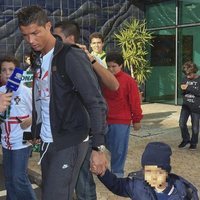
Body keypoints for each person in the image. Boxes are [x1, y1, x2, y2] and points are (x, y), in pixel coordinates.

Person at [17, 6, 108, 200]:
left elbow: (96, 102)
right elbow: (43, 100)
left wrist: (98, 147)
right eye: (25, 35)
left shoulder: (70, 56)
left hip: (70, 140)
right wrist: (36, 130)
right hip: (49, 140)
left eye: (35, 33)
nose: (31, 40)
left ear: (48, 26)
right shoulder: (39, 59)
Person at [53, 20, 119, 200]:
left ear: (71, 38)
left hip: (87, 130)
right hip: (66, 131)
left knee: (83, 183)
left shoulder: (84, 57)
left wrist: (90, 59)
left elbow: (114, 85)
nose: (53, 41)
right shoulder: (54, 58)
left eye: (57, 37)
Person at [94, 142, 199, 200]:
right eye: (147, 171)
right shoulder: (137, 185)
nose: (152, 176)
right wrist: (102, 173)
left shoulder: (185, 193)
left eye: (157, 172)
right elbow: (117, 185)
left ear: (166, 172)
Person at [0, 55, 36, 200]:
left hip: (21, 142)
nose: (7, 73)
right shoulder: (1, 92)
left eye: (11, 70)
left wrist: (31, 120)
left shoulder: (25, 91)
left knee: (18, 177)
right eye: (4, 70)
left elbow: (39, 111)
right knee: (9, 178)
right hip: (5, 141)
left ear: (17, 73)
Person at [102, 51, 143, 178]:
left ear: (121, 66)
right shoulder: (103, 78)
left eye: (114, 66)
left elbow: (135, 101)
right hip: (104, 120)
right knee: (105, 145)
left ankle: (117, 174)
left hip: (121, 120)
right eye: (108, 66)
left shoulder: (128, 81)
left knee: (119, 149)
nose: (111, 69)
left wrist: (137, 119)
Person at [178, 61, 200, 150]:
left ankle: (193, 143)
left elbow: (198, 92)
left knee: (195, 127)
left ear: (194, 72)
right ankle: (186, 139)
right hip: (186, 106)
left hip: (196, 107)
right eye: (186, 75)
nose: (187, 77)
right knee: (181, 123)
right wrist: (183, 90)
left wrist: (188, 88)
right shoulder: (185, 79)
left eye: (189, 75)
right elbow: (181, 92)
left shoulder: (199, 80)